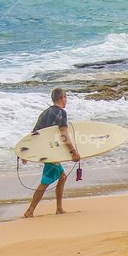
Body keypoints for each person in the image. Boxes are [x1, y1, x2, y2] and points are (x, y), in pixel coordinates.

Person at [23, 87, 80, 218]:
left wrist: (26, 152)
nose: (66, 100)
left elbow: (34, 134)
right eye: (65, 97)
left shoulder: (44, 113)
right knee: (45, 181)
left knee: (62, 177)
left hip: (46, 151)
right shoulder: (61, 113)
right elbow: (64, 134)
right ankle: (30, 211)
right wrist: (73, 152)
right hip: (51, 153)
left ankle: (59, 208)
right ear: (61, 98)